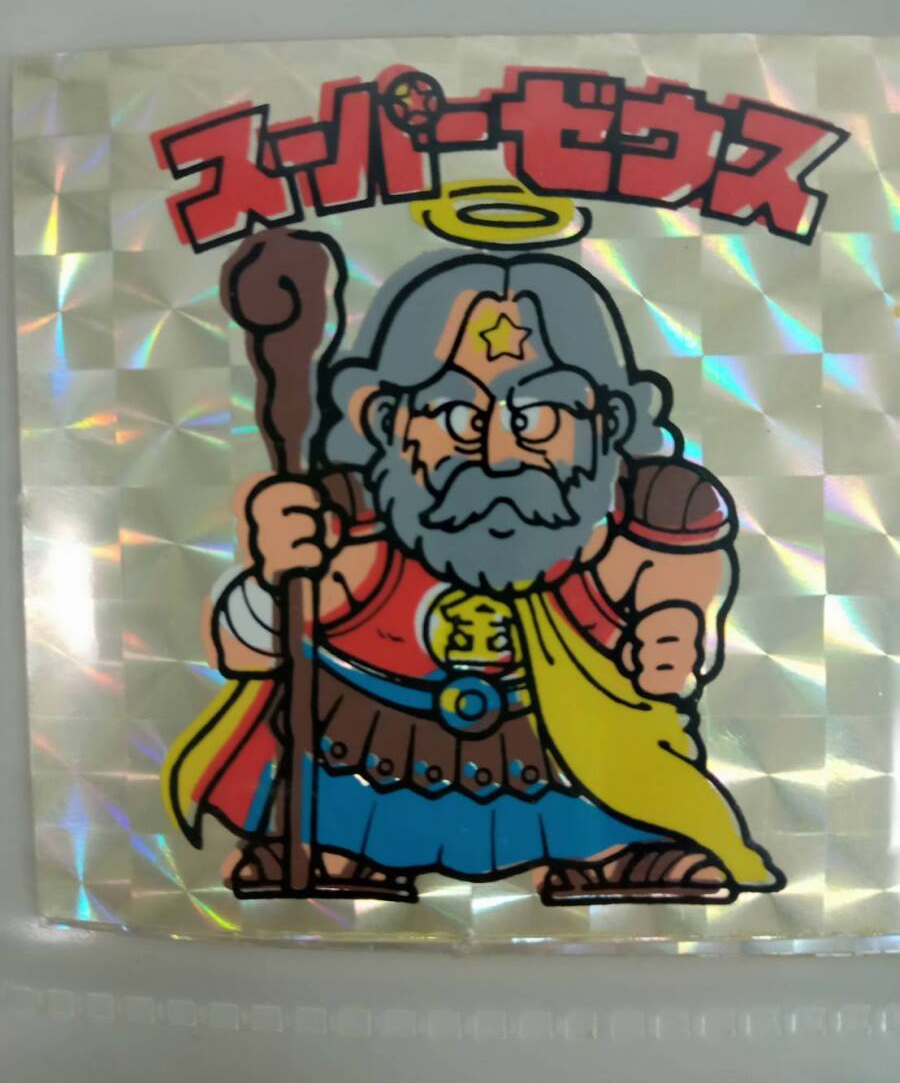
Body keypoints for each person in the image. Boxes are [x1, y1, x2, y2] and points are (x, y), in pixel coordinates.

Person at [165, 250, 783, 905]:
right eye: (455, 417)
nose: (497, 452)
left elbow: (680, 598)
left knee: (611, 794)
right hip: (368, 753)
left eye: (538, 417)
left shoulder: (633, 526)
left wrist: (673, 632)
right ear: (383, 418)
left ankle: (606, 852)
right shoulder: (348, 529)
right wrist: (274, 578)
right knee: (337, 814)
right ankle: (344, 849)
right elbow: (249, 650)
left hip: (563, 768)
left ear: (608, 421)